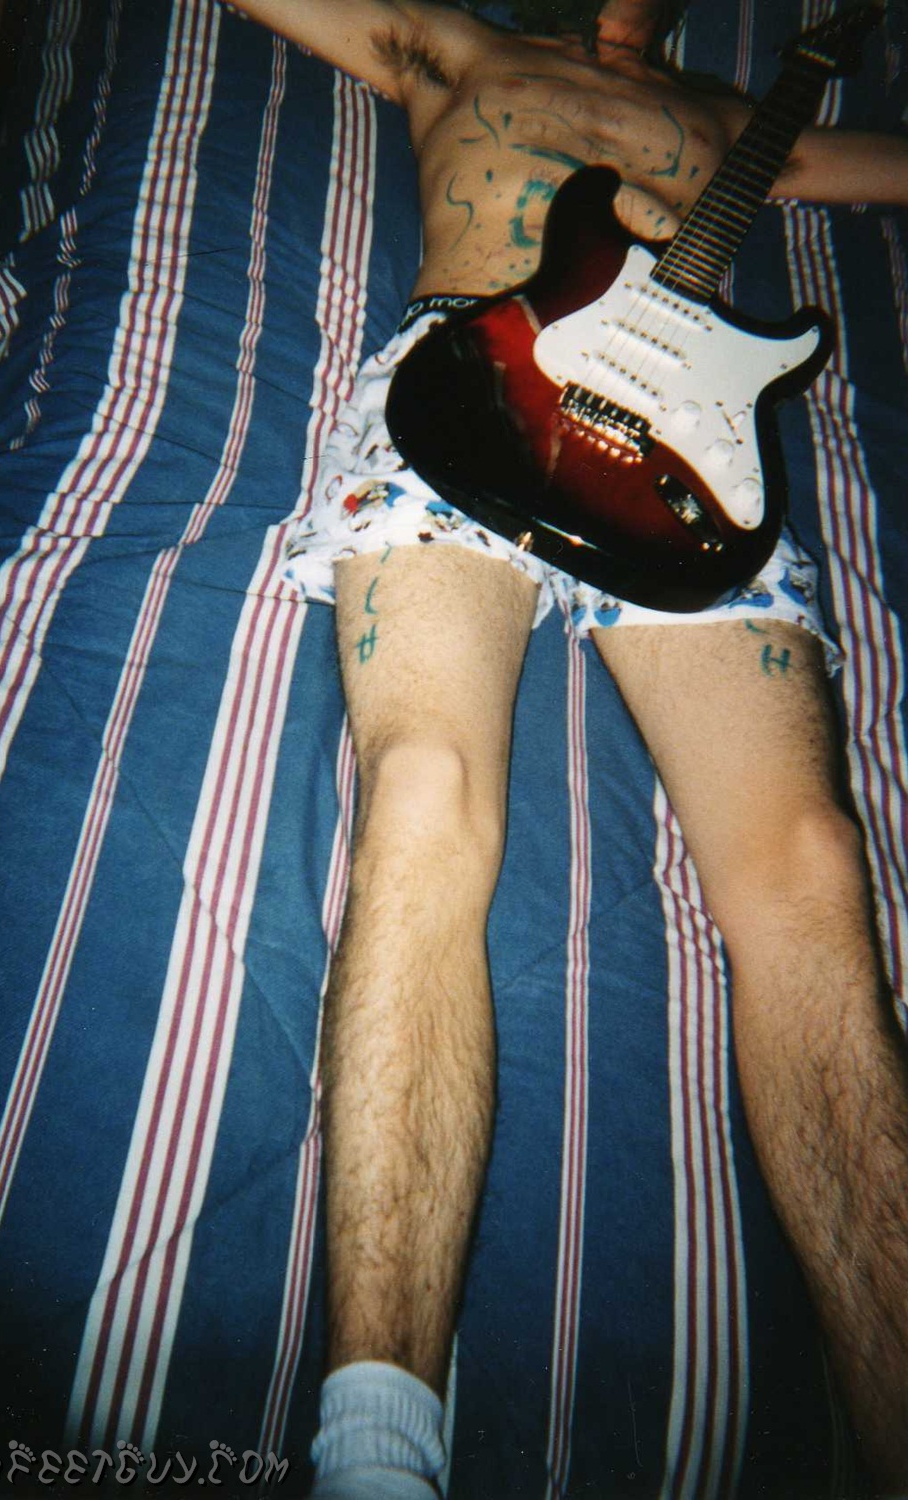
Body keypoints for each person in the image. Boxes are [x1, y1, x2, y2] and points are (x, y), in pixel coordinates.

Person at [228, 2, 908, 1493]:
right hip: (469, 395)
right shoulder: (457, 46)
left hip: (694, 459)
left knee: (812, 869)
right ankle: (375, 1443)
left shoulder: (746, 124)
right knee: (425, 792)